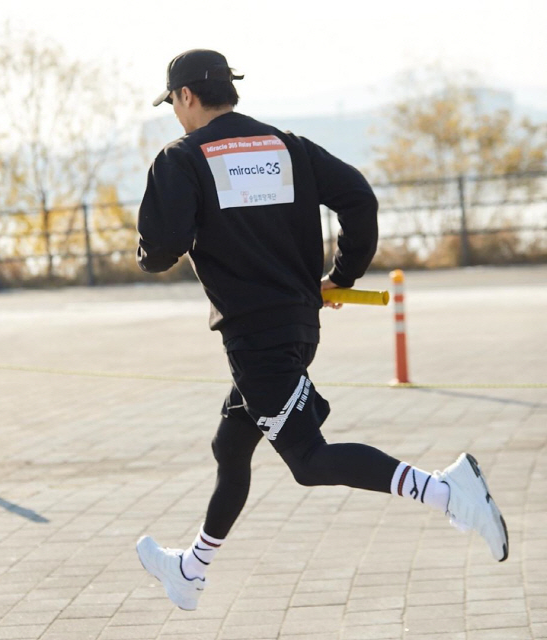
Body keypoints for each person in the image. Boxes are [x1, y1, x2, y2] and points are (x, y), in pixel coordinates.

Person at [134, 49, 508, 611]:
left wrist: (160, 242)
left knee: (309, 461)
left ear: (186, 96)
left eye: (174, 104)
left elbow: (159, 250)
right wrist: (341, 274)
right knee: (230, 445)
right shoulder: (285, 146)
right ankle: (190, 569)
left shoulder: (182, 158)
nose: (176, 115)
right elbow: (358, 199)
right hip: (297, 326)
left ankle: (449, 491)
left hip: (256, 340)